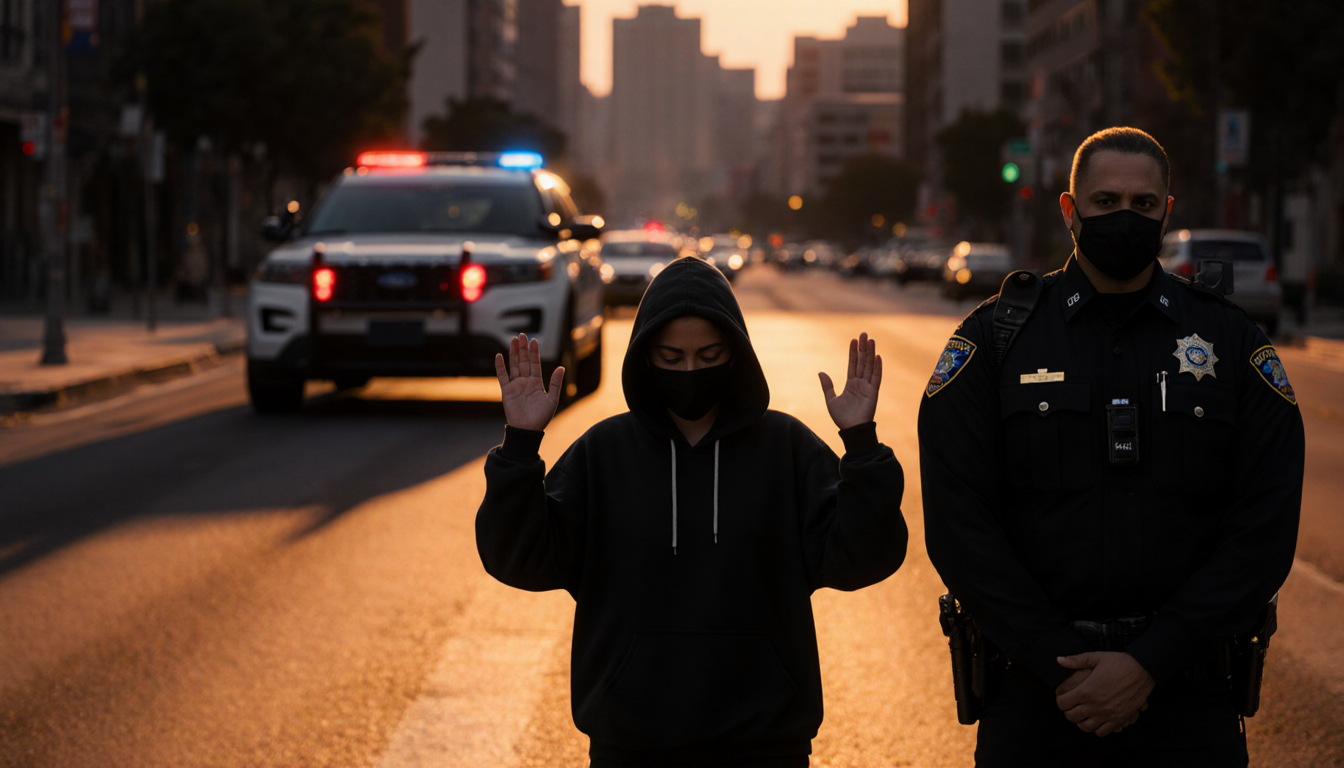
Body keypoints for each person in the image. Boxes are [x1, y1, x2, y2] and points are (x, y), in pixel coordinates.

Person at [918, 127, 1304, 766]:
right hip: (1038, 700)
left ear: (1166, 213)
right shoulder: (997, 340)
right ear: (1070, 211)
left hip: (1188, 697)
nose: (1125, 218)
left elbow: (1263, 525)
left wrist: (1150, 662)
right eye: (1105, 202)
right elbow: (960, 525)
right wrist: (1056, 661)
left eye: (1143, 205)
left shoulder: (1230, 341)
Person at [477, 256, 908, 767]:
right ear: (644, 358)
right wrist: (521, 446)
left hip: (766, 744)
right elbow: (519, 557)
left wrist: (860, 444)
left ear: (736, 354)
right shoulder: (603, 452)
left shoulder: (785, 448)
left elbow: (866, 555)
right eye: (670, 357)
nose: (689, 372)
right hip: (630, 744)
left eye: (708, 356)